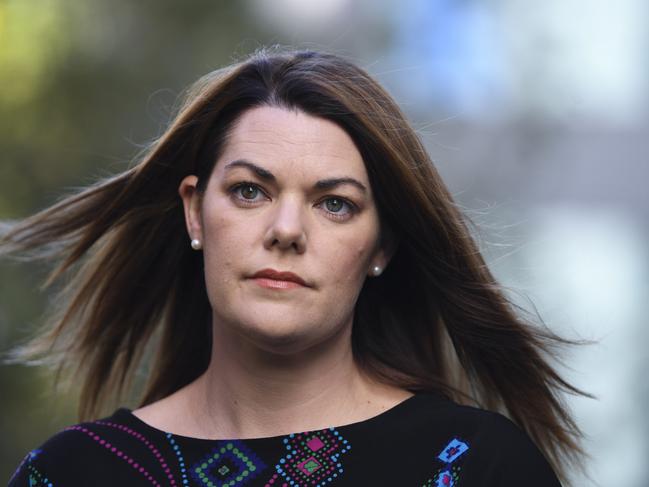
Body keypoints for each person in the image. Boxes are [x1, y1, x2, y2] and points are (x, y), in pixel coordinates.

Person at [2, 49, 586, 486]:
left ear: (382, 246)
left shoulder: (477, 466)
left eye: (335, 204)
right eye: (250, 191)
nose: (285, 231)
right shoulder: (70, 473)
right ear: (195, 212)